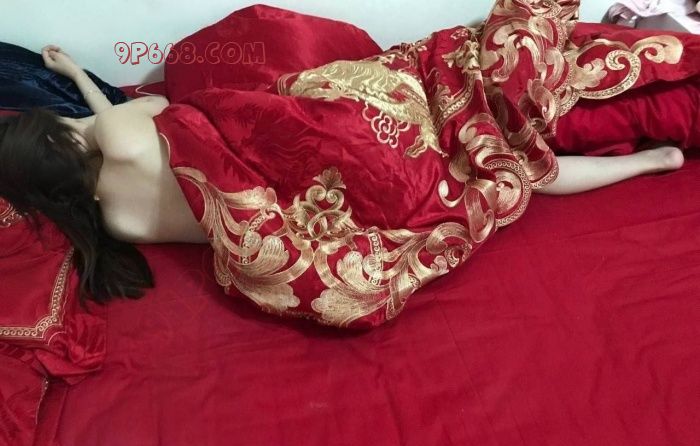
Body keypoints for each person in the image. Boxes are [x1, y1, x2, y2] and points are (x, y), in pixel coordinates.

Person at [0, 1, 694, 327]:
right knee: (435, 75)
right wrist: (78, 78)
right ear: (59, 141)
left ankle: (647, 161)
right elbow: (139, 115)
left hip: (337, 218)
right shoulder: (116, 131)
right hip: (338, 156)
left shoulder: (114, 224)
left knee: (500, 174)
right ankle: (641, 119)